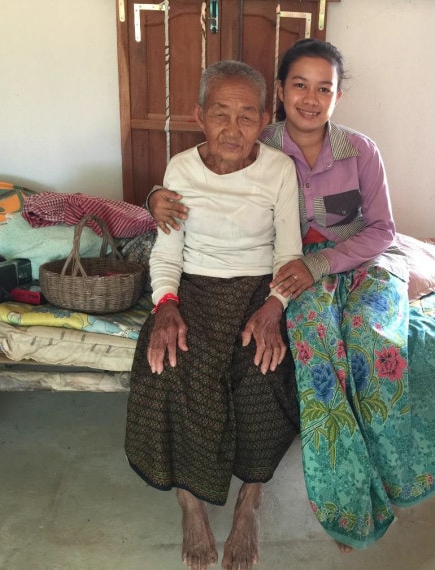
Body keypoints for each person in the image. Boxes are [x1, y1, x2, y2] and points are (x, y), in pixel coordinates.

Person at [147, 39, 435, 551]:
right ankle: (345, 495)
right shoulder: (255, 138)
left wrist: (319, 264)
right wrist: (152, 197)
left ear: (338, 96)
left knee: (374, 344)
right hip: (295, 275)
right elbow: (195, 181)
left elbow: (381, 230)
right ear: (282, 94)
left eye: (324, 88)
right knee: (313, 348)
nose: (311, 99)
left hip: (356, 264)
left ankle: (383, 481)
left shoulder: (360, 151)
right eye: (299, 85)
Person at [125, 60, 303, 570]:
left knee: (261, 370)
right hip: (194, 288)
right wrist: (166, 306)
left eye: (248, 116)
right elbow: (166, 253)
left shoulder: (278, 169)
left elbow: (287, 254)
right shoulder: (180, 170)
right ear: (198, 115)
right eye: (220, 113)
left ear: (264, 119)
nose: (233, 128)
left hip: (257, 291)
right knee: (172, 366)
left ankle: (250, 500)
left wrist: (275, 308)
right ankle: (191, 502)